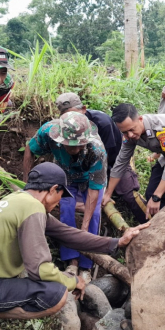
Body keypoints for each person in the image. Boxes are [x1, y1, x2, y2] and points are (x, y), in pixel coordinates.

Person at [0, 162, 149, 330]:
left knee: (51, 285)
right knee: (57, 295)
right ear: (54, 189)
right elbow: (39, 269)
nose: (59, 202)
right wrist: (72, 281)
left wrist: (116, 242)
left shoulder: (19, 200)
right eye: (61, 196)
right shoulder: (32, 208)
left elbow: (69, 234)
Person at [23, 112, 107, 279]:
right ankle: (71, 262)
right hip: (65, 174)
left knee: (94, 215)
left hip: (89, 177)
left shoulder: (96, 150)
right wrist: (27, 184)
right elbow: (29, 150)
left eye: (79, 145)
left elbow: (93, 190)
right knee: (66, 210)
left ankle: (86, 266)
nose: (75, 149)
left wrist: (83, 230)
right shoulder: (47, 133)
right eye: (70, 145)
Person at [55, 93, 147, 224]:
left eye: (75, 113)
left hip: (115, 160)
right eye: (67, 115)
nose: (72, 119)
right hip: (88, 164)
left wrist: (103, 189)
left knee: (128, 193)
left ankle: (150, 221)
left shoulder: (102, 123)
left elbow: (103, 160)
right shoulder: (65, 126)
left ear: (83, 109)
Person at [102, 103, 165, 218]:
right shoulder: (129, 135)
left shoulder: (163, 130)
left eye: (132, 129)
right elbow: (121, 163)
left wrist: (157, 197)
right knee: (151, 193)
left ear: (140, 119)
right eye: (125, 132)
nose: (130, 135)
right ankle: (163, 223)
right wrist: (108, 194)